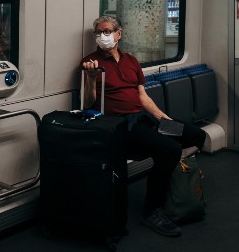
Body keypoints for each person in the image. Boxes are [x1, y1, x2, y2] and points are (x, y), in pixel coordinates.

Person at [81, 15, 207, 237]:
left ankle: (170, 172)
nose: (102, 36)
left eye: (107, 31)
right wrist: (91, 79)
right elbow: (88, 104)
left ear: (119, 34)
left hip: (144, 120)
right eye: (98, 33)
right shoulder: (92, 63)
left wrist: (164, 119)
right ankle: (152, 211)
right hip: (122, 126)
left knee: (195, 135)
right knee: (169, 149)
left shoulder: (131, 60)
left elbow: (142, 95)